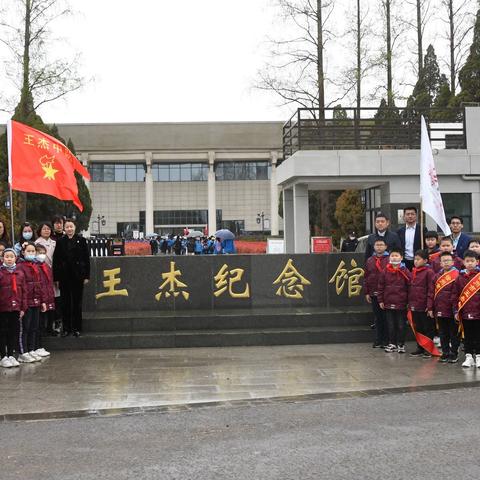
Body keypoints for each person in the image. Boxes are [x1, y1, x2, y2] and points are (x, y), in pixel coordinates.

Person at [52, 219, 90, 337]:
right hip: (64, 276)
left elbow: (86, 259)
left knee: (77, 303)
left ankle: (77, 328)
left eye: (71, 227)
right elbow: (56, 261)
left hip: (78, 276)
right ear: (64, 228)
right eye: (67, 227)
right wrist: (56, 278)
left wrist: (86, 276)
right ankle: (67, 328)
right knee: (65, 303)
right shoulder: (60, 241)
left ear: (75, 227)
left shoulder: (82, 241)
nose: (69, 229)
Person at [377, 248, 411, 353]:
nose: (394, 257)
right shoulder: (385, 271)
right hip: (388, 302)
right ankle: (392, 343)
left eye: (396, 255)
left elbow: (410, 287)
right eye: (392, 256)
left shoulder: (405, 271)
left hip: (401, 303)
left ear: (401, 257)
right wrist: (380, 300)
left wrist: (408, 301)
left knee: (401, 325)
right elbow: (380, 286)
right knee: (390, 325)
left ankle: (401, 344)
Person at [17, 242, 47, 363]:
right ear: (23, 252)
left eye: (33, 251)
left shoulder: (35, 266)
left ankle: (31, 348)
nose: (31, 253)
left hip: (36, 301)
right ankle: (23, 352)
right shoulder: (20, 266)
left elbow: (40, 285)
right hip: (26, 302)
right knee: (25, 328)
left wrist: (42, 301)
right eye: (28, 251)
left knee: (34, 327)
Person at [430, 252, 460, 363]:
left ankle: (454, 353)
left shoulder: (457, 275)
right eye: (444, 260)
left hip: (452, 310)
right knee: (443, 333)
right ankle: (445, 352)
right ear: (440, 263)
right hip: (440, 309)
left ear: (453, 262)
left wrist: (456, 309)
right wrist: (430, 307)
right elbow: (431, 293)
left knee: (453, 333)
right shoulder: (436, 276)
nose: (446, 262)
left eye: (448, 260)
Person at [453, 250, 480, 368]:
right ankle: (469, 356)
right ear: (463, 262)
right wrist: (455, 310)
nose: (470, 263)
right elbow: (455, 295)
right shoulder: (459, 278)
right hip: (465, 312)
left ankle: (479, 356)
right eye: (467, 261)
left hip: (478, 312)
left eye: (472, 261)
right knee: (467, 336)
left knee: (478, 336)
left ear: (477, 262)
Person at [0, 248, 26, 368]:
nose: (9, 259)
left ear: (15, 258)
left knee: (13, 332)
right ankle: (3, 356)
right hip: (3, 308)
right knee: (3, 332)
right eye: (7, 256)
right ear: (2, 259)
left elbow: (24, 292)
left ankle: (11, 355)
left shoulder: (19, 273)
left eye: (11, 256)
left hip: (15, 308)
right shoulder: (1, 273)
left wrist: (22, 308)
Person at [408, 250, 435, 358]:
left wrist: (429, 306)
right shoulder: (413, 271)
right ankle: (420, 347)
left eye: (418, 259)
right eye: (415, 259)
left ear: (425, 260)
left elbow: (431, 290)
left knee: (427, 327)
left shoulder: (429, 272)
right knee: (418, 327)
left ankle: (428, 349)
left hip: (424, 305)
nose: (416, 261)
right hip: (414, 304)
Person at [364, 238, 389, 348]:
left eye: (381, 245)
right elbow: (366, 277)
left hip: (386, 294)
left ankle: (386, 340)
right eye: (377, 245)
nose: (379, 247)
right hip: (374, 293)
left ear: (385, 246)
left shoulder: (389, 259)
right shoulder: (370, 260)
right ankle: (378, 339)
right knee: (377, 317)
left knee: (386, 318)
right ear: (374, 247)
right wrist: (367, 292)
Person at [396, 206, 428, 271]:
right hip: (404, 261)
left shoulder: (422, 230)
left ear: (416, 216)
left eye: (412, 214)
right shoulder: (399, 231)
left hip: (418, 261)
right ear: (404, 216)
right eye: (408, 214)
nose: (410, 216)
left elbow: (426, 245)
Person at [36, 244, 55, 344]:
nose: (42, 255)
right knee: (39, 321)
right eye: (39, 253)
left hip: (49, 295)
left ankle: (49, 330)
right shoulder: (35, 266)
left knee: (50, 315)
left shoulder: (46, 266)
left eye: (44, 253)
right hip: (40, 297)